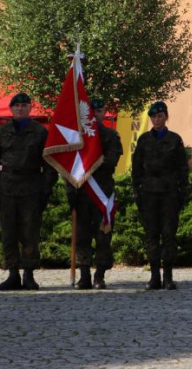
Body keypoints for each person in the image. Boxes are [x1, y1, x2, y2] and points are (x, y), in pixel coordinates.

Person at [0, 93, 58, 291]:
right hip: (7, 187)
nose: (20, 109)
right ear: (11, 109)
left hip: (31, 186)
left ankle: (29, 273)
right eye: (16, 106)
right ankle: (12, 273)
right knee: (8, 232)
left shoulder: (40, 132)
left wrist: (46, 188)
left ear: (30, 108)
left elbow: (49, 163)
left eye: (24, 105)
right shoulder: (1, 132)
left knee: (30, 232)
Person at [132, 101, 190, 291]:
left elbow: (182, 168)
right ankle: (154, 276)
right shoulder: (144, 140)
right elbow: (137, 168)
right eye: (153, 117)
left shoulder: (174, 139)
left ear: (166, 117)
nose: (156, 120)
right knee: (151, 235)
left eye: (160, 116)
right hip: (149, 193)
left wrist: (183, 191)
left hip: (169, 193)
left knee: (169, 235)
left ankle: (168, 277)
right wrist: (137, 191)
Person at [68, 98, 123, 290]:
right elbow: (69, 167)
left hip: (102, 192)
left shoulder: (110, 135)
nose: (96, 115)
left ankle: (99, 275)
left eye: (99, 112)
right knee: (82, 236)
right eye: (92, 112)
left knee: (103, 235)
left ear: (103, 113)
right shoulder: (77, 138)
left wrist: (89, 162)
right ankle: (84, 275)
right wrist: (70, 192)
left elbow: (111, 161)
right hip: (82, 193)